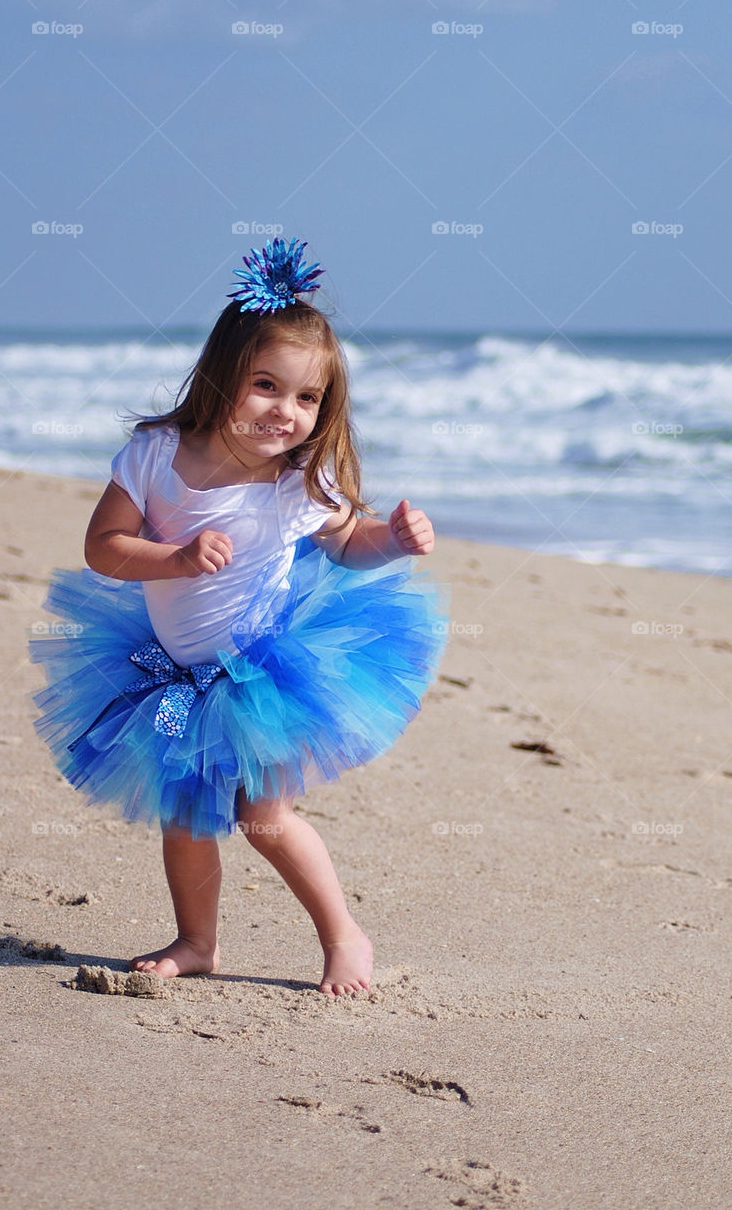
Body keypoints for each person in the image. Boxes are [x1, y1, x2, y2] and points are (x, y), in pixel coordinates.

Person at [29, 238, 449, 997]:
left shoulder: (298, 482)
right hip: (172, 675)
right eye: (266, 386)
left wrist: (390, 540)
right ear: (224, 374)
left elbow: (349, 541)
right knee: (186, 819)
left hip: (268, 672)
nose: (285, 412)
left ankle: (344, 935)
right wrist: (176, 558)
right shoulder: (157, 456)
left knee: (264, 814)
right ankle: (197, 941)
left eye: (307, 398)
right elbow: (103, 548)